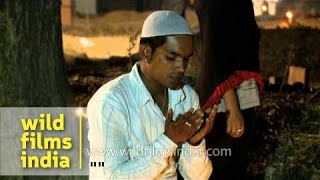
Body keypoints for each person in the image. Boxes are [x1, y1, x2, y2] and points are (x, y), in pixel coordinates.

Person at [87, 10, 217, 179]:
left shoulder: (186, 97)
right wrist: (168, 141)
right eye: (171, 58)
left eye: (186, 59)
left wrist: (195, 143)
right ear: (146, 53)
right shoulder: (110, 102)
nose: (181, 67)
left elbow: (199, 177)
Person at [194, 0, 265, 179]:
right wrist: (233, 108)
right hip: (227, 101)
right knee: (226, 165)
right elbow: (216, 53)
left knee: (236, 163)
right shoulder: (216, 4)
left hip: (239, 94)